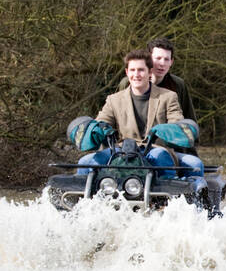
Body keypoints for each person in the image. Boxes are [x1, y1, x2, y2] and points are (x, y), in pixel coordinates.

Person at [75, 50, 205, 179]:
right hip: (121, 150)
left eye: (141, 70)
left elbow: (177, 121)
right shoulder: (113, 99)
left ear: (149, 72)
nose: (136, 74)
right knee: (84, 163)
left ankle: (172, 198)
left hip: (156, 149)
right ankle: (84, 199)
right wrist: (99, 129)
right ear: (127, 72)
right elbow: (102, 121)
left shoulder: (168, 97)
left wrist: (165, 130)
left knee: (185, 162)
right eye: (132, 70)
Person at [148, 37, 195, 122]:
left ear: (171, 62)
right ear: (149, 58)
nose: (162, 63)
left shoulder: (178, 85)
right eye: (158, 58)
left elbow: (189, 120)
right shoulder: (130, 83)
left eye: (166, 59)